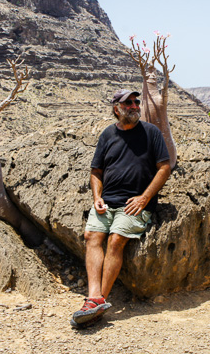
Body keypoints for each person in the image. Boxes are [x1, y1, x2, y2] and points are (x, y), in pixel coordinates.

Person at [71, 89, 172, 328]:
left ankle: (97, 302)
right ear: (117, 108)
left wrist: (144, 198)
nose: (135, 105)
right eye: (129, 103)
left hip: (135, 205)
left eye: (137, 102)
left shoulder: (151, 133)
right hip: (107, 202)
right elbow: (96, 171)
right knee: (92, 236)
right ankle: (94, 298)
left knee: (116, 240)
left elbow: (164, 168)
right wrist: (97, 196)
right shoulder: (108, 134)